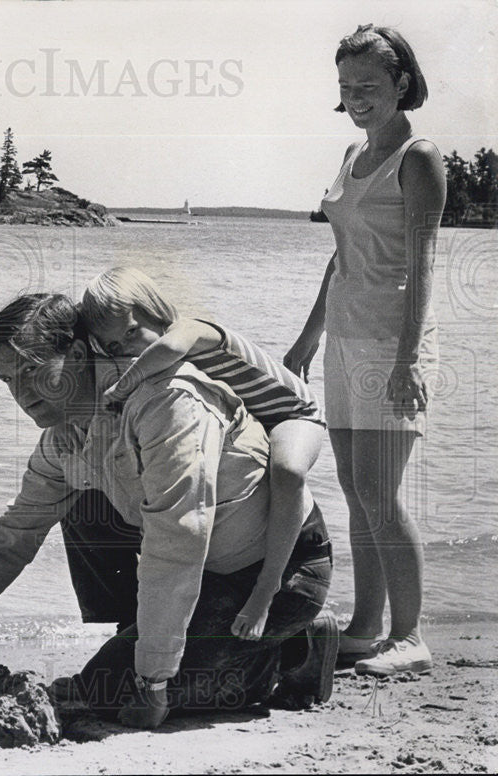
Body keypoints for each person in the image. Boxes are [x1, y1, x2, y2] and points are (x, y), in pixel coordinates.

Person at [0, 293, 336, 728]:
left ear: (81, 354)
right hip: (207, 569)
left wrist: (152, 683)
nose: (22, 395)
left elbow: (177, 548)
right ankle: (151, 635)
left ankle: (292, 648)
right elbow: (10, 540)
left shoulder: (166, 402)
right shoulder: (65, 436)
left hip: (277, 571)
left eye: (32, 371)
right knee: (81, 503)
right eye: (8, 380)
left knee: (109, 692)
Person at [284, 25, 444, 677]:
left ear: (402, 83)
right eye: (346, 87)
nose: (355, 99)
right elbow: (341, 258)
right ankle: (367, 626)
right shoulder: (352, 153)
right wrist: (305, 340)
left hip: (391, 343)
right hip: (346, 338)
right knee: (356, 489)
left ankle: (410, 638)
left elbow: (425, 263)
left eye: (369, 87)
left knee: (380, 490)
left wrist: (409, 357)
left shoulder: (419, 155)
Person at [79, 266, 326, 642]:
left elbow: (167, 348)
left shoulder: (190, 329)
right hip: (260, 423)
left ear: (156, 309)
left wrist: (122, 385)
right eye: (115, 347)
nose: (129, 349)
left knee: (288, 470)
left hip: (295, 413)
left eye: (132, 332)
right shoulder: (155, 365)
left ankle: (266, 590)